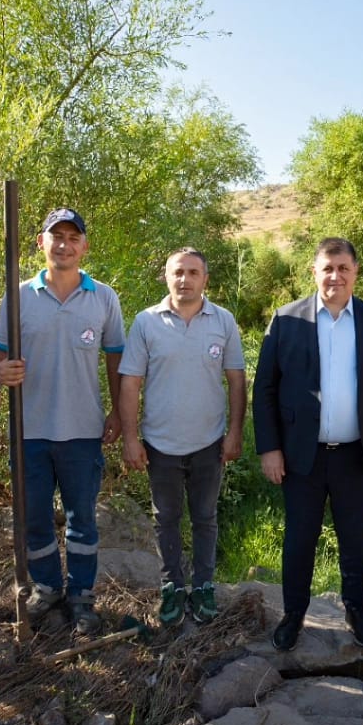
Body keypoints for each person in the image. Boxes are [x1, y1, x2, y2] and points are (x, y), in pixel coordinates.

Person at [253, 238, 363, 651]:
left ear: (355, 272)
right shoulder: (286, 320)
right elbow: (265, 389)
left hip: (357, 454)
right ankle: (293, 615)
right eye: (327, 268)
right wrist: (269, 448)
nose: (335, 276)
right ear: (314, 272)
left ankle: (356, 611)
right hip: (301, 455)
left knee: (355, 539)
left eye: (343, 268)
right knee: (299, 539)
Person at [0, 208, 124, 635]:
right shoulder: (18, 296)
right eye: (56, 236)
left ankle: (81, 596)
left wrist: (119, 412)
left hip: (83, 430)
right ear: (40, 243)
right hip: (28, 430)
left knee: (82, 518)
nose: (64, 245)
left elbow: (115, 360)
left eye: (73, 237)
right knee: (34, 517)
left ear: (84, 246)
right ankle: (46, 587)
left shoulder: (104, 297)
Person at [118, 247, 246, 626]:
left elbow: (237, 380)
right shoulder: (146, 322)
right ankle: (172, 586)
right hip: (160, 444)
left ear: (205, 279)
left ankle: (203, 585)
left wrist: (235, 432)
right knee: (166, 518)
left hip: (209, 442)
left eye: (193, 273)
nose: (184, 279)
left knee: (205, 517)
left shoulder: (223, 321)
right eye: (177, 272)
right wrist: (130, 438)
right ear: (166, 276)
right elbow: (130, 383)